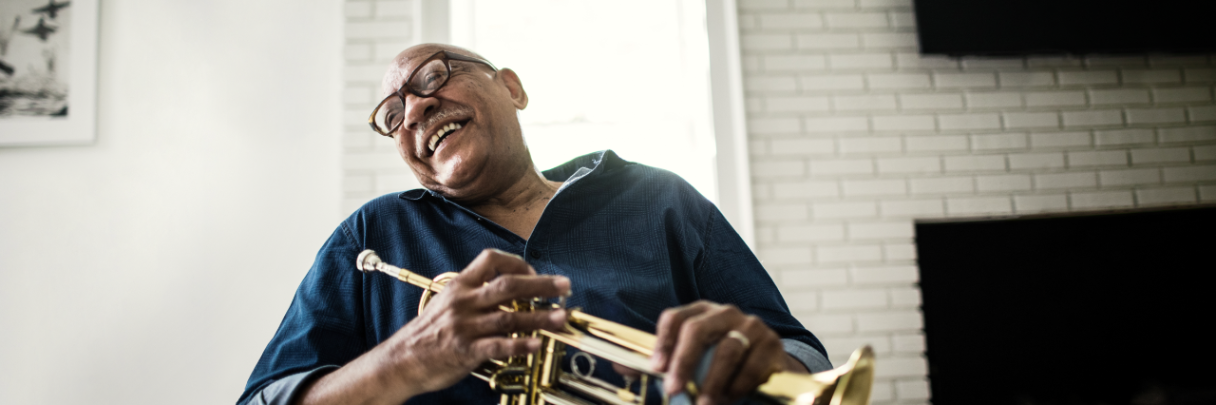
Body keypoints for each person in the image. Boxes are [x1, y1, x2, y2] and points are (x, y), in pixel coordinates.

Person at [237, 43, 831, 405]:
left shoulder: (659, 197)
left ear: (512, 88)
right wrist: (407, 360)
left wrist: (766, 362)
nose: (414, 110)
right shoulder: (371, 237)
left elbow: (800, 356)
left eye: (433, 78)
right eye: (392, 115)